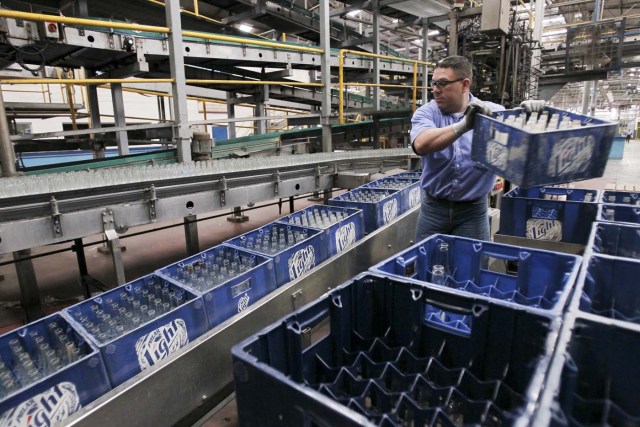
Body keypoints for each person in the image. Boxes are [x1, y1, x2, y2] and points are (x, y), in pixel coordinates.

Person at [410, 56, 544, 242]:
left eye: (442, 83)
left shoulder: (493, 113)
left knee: (473, 266)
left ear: (465, 85)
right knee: (426, 265)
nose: (435, 90)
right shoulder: (427, 112)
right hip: (433, 210)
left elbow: (522, 153)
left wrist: (529, 120)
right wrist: (464, 125)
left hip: (472, 212)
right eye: (433, 83)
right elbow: (421, 144)